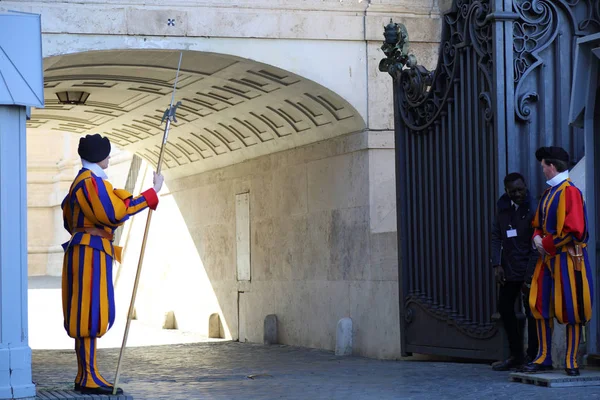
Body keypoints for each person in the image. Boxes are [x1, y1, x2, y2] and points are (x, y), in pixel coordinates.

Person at [61, 134, 164, 394]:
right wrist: (152, 194)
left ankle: (86, 374)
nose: (109, 156)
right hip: (90, 251)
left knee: (86, 312)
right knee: (90, 313)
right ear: (99, 156)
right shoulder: (90, 183)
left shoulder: (82, 182)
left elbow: (70, 219)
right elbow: (114, 213)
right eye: (106, 153)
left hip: (85, 248)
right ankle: (89, 377)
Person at [522, 146, 593, 376]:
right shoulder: (549, 193)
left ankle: (571, 361)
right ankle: (543, 357)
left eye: (543, 165)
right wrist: (536, 239)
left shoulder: (570, 192)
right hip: (546, 260)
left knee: (572, 308)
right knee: (540, 305)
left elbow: (575, 231)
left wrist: (546, 244)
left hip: (568, 260)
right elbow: (537, 225)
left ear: (552, 166)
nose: (541, 169)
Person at [491, 173, 539, 371]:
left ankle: (533, 356)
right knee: (505, 308)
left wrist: (529, 275)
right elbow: (496, 236)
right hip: (509, 269)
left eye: (520, 189)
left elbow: (536, 244)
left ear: (526, 186)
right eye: (513, 191)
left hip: (529, 270)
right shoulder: (503, 208)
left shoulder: (534, 207)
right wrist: (497, 264)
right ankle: (515, 355)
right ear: (506, 191)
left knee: (532, 313)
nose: (518, 194)